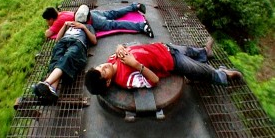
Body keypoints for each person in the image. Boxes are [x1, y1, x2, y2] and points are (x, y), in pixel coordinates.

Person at [84, 39, 243, 95]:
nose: (104, 65)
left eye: (99, 66)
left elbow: (121, 48)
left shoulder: (110, 61)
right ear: (107, 82)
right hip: (171, 61)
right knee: (201, 71)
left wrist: (119, 47)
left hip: (163, 47)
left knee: (190, 50)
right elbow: (154, 80)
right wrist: (135, 64)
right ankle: (224, 75)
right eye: (103, 71)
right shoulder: (127, 78)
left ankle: (205, 52)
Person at [33, 5, 97, 101]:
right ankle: (52, 89)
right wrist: (64, 25)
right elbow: (58, 39)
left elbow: (94, 40)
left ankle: (47, 82)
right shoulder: (70, 24)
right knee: (57, 58)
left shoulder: (88, 26)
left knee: (68, 57)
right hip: (63, 41)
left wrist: (84, 28)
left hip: (77, 43)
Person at [88, 3, 154, 38]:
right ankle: (135, 6)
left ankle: (142, 26)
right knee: (113, 13)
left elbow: (93, 40)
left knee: (115, 24)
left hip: (92, 20)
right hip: (90, 13)